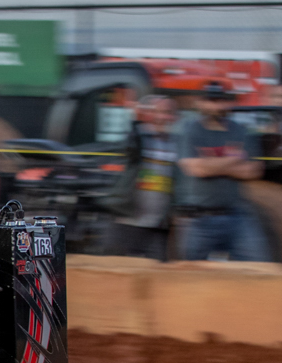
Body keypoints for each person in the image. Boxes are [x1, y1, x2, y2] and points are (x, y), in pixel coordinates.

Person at [173, 81, 271, 262]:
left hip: (236, 214)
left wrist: (210, 163)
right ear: (200, 103)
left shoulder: (241, 131)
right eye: (210, 100)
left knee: (258, 265)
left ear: (229, 102)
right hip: (199, 218)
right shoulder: (190, 130)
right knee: (189, 273)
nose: (216, 105)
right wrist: (233, 160)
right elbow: (196, 169)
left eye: (220, 100)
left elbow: (254, 171)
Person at [105, 95, 178, 260]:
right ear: (148, 114)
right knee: (116, 273)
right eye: (157, 112)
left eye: (168, 113)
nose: (162, 117)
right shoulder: (138, 137)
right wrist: (136, 118)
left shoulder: (176, 143)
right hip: (128, 221)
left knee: (158, 277)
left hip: (158, 225)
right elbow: (129, 147)